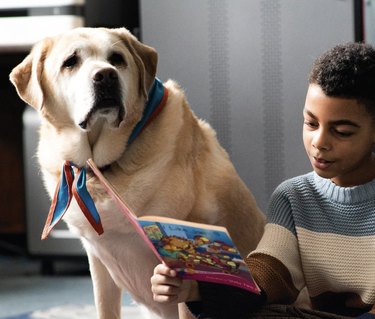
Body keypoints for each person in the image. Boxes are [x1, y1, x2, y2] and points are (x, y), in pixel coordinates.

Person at [150, 42, 375, 319]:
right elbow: (266, 278)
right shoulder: (294, 197)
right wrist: (194, 289)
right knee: (240, 311)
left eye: (341, 132)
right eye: (311, 123)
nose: (319, 142)